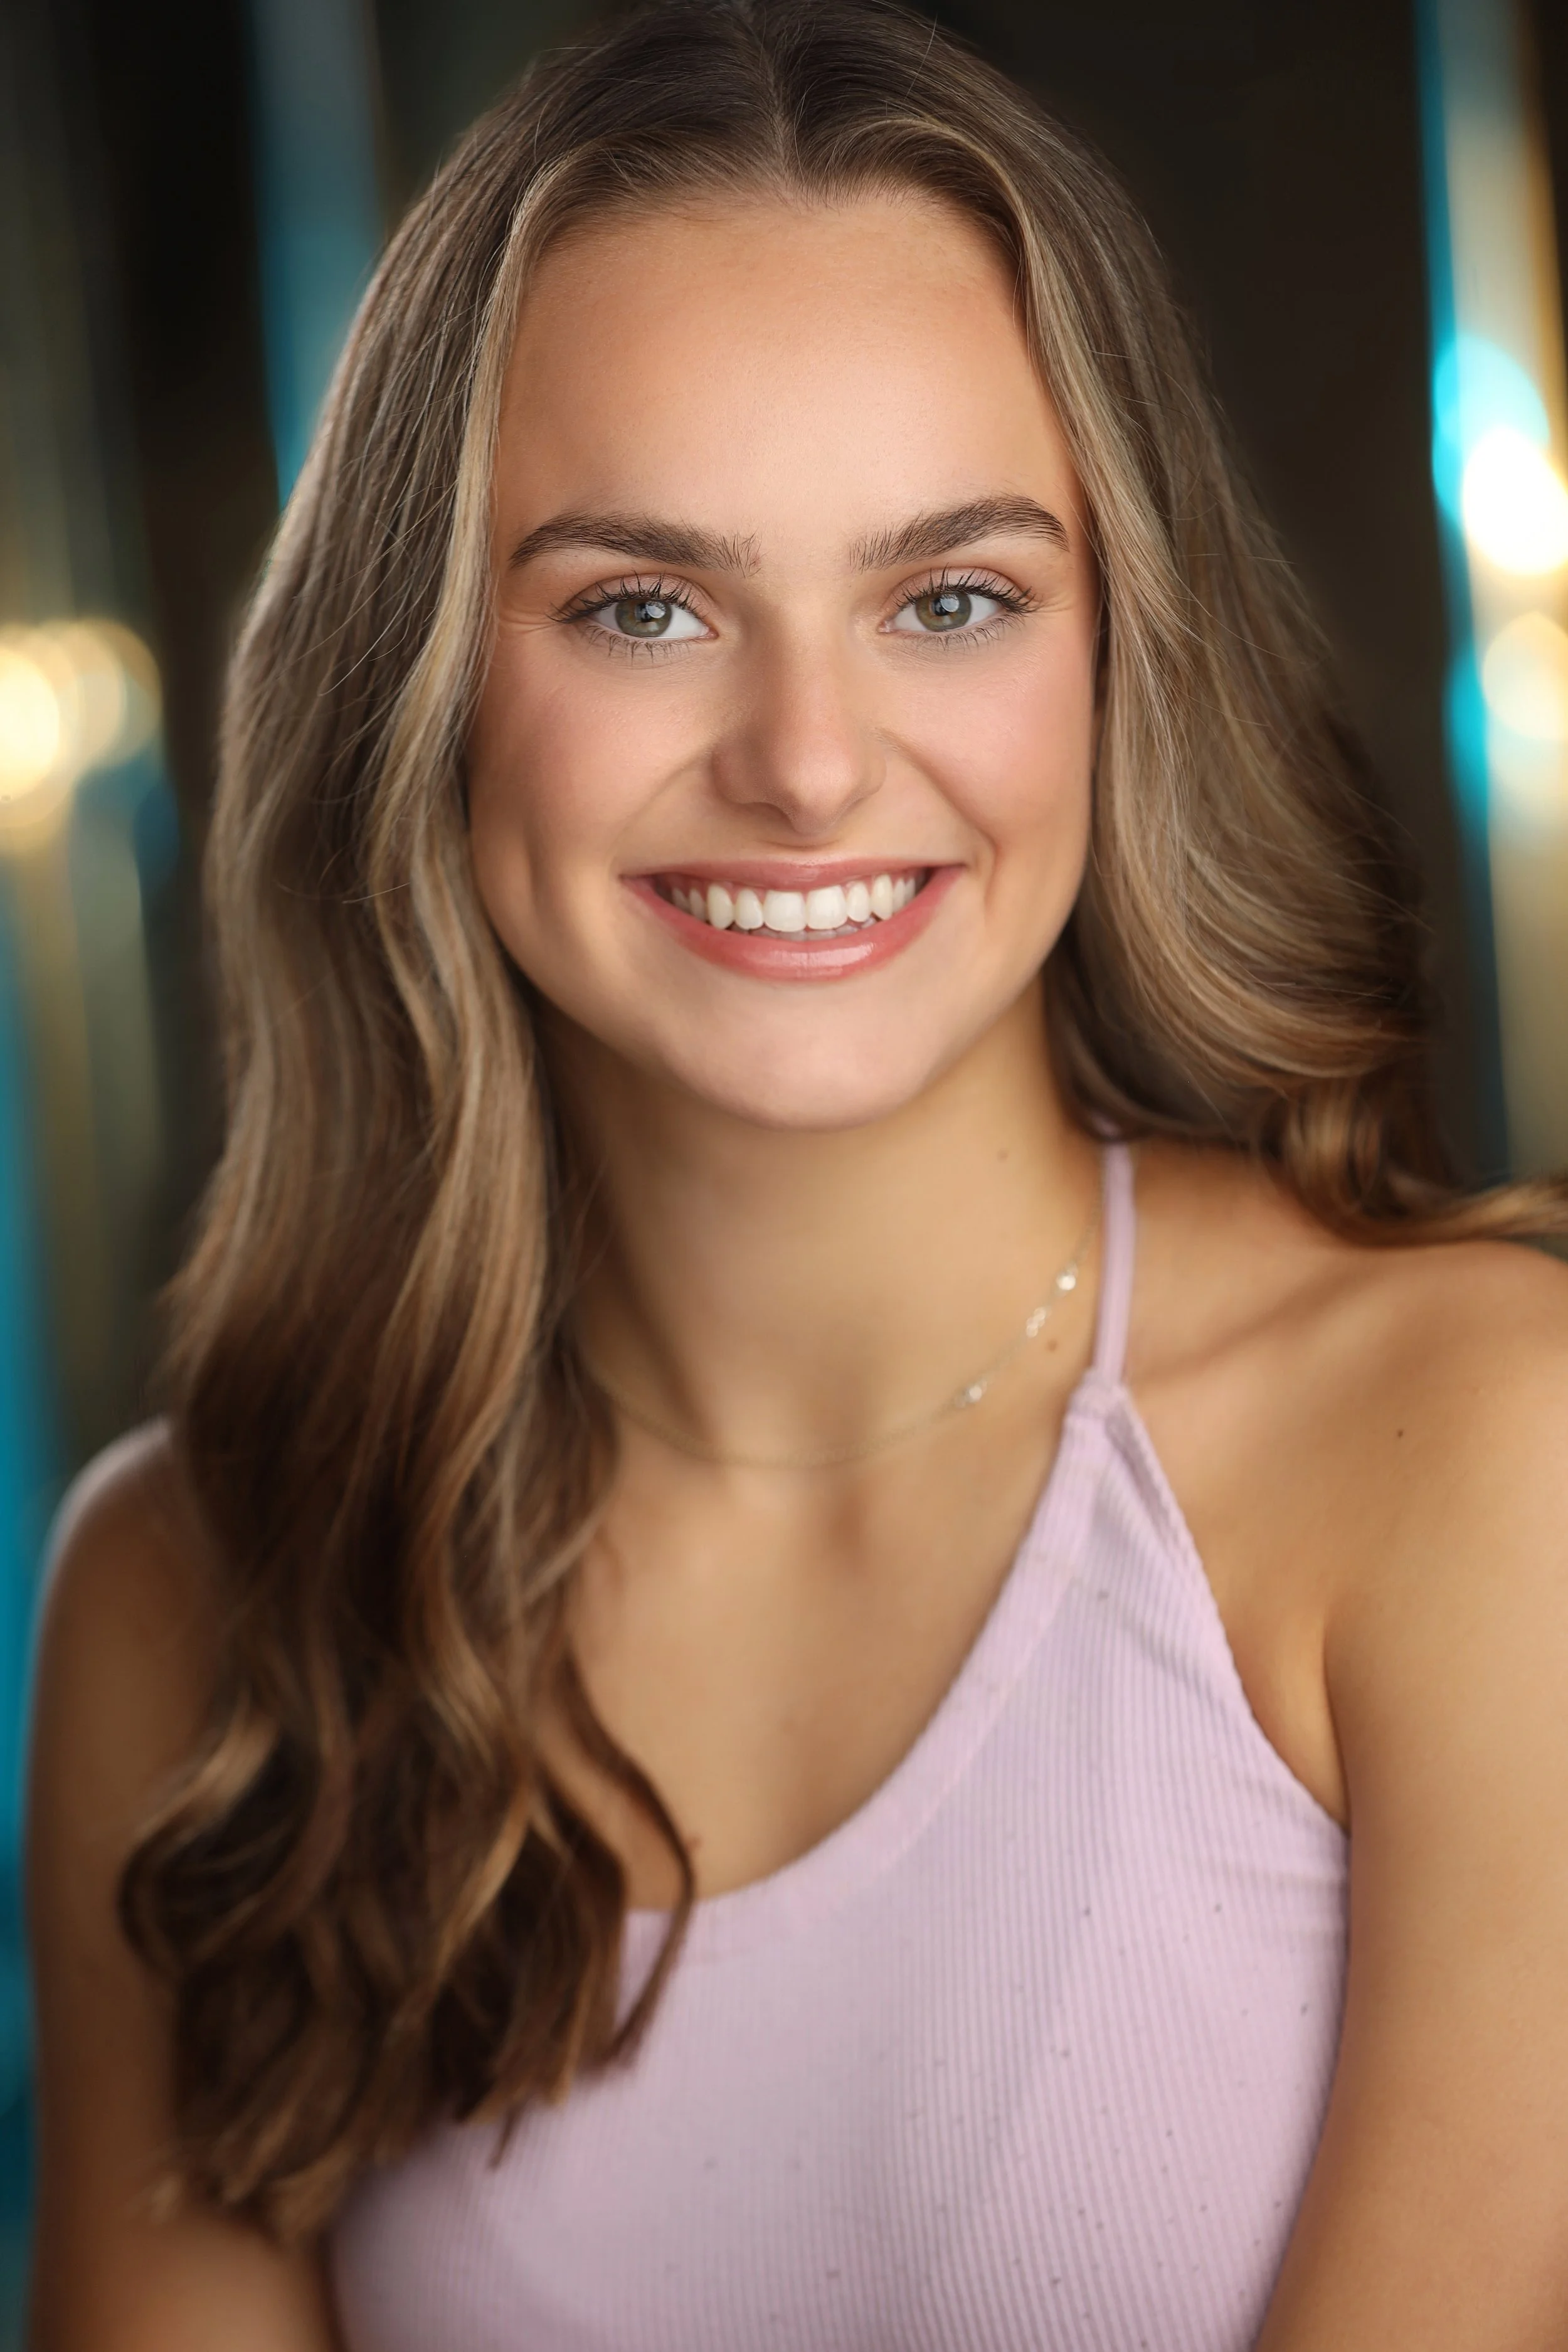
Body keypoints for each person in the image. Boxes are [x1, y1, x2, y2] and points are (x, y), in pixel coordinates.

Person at [24, 1, 1568, 2345]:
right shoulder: (192, 1583)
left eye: (949, 597)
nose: (810, 761)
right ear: (424, 686)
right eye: (641, 606)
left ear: (1114, 655)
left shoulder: (1481, 1452)